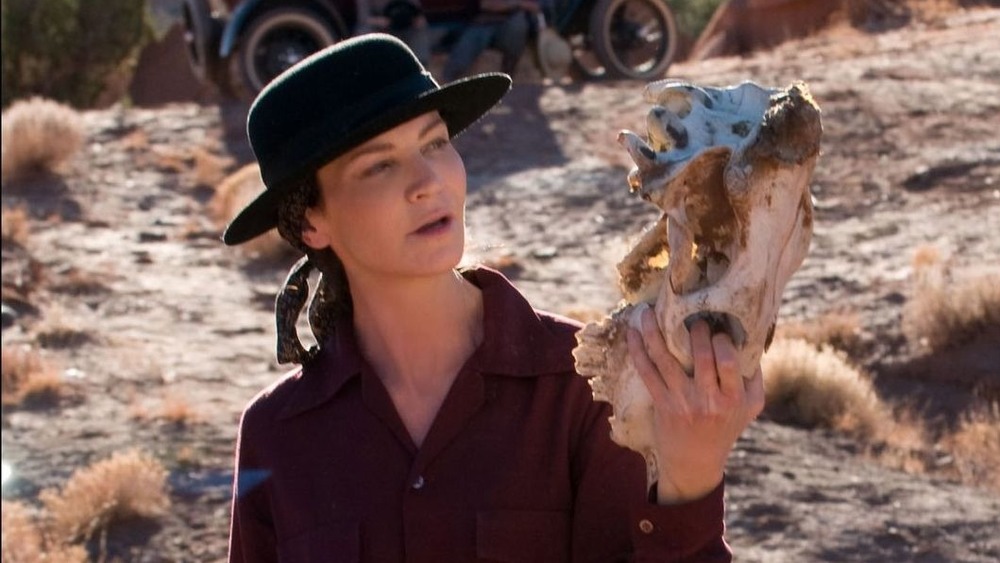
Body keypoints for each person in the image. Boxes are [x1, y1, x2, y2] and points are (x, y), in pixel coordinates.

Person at [223, 33, 764, 561]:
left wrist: (692, 478)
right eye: (379, 165)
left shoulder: (584, 385)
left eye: (435, 143)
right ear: (311, 221)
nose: (428, 181)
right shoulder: (278, 434)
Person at [441, 0, 540, 81]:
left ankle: (508, 76)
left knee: (519, 24)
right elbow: (487, 5)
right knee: (465, 51)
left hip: (509, 27)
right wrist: (517, 4)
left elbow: (534, 6)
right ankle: (448, 81)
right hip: (484, 23)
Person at [354, 0, 432, 65]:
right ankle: (368, 64)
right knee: (364, 30)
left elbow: (417, 12)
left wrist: (414, 19)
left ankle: (420, 64)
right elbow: (363, 19)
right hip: (379, 26)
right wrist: (383, 21)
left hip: (405, 26)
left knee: (421, 25)